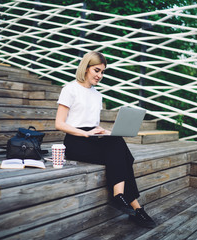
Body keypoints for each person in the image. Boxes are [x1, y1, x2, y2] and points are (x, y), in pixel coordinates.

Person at [55, 51, 156, 228]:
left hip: (93, 137)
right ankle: (132, 205)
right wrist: (85, 133)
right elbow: (59, 124)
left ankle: (126, 201)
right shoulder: (69, 89)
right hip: (74, 141)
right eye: (97, 70)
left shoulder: (97, 95)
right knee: (122, 154)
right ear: (85, 68)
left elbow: (92, 123)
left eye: (102, 72)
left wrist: (104, 131)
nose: (100, 75)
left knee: (116, 142)